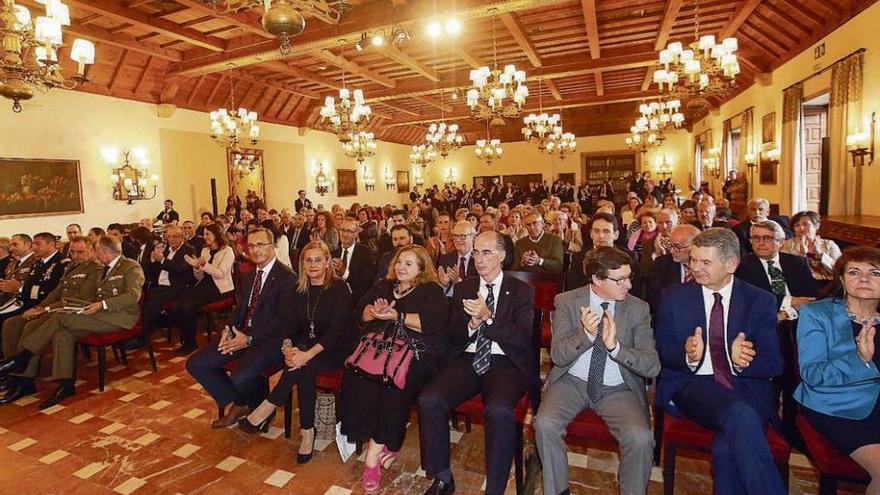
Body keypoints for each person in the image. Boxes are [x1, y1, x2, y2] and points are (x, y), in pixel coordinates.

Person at [655, 227, 785, 495]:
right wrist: (687, 355)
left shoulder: (759, 301)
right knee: (740, 413)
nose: (695, 268)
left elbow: (774, 363)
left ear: (731, 264)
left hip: (746, 388)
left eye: (705, 262)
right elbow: (663, 351)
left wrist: (745, 361)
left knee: (727, 448)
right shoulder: (674, 297)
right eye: (693, 259)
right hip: (694, 385)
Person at [535, 247, 660, 495]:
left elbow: (652, 366)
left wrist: (616, 347)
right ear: (597, 279)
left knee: (641, 438)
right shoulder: (568, 302)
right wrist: (586, 334)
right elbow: (558, 356)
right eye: (620, 279)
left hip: (618, 388)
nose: (628, 285)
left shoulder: (638, 309)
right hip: (572, 381)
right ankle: (558, 491)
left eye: (629, 277)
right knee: (544, 424)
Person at [420, 231, 537, 495]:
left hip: (506, 363)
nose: (479, 259)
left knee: (498, 410)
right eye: (475, 252)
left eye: (486, 252)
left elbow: (521, 340)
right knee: (430, 399)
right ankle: (442, 477)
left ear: (502, 256)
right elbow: (453, 335)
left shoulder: (521, 291)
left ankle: (494, 488)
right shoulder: (464, 288)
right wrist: (472, 325)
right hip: (469, 359)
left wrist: (489, 318)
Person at [340, 245, 448, 493]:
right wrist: (374, 312)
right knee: (356, 378)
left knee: (391, 385)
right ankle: (389, 442)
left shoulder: (431, 290)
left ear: (421, 268)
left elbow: (431, 323)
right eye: (399, 262)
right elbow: (360, 310)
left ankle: (371, 460)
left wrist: (396, 316)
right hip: (378, 350)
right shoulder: (384, 285)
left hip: (415, 354)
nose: (401, 267)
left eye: (409, 264)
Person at [238, 241, 356, 463]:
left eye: (318, 259)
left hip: (338, 348)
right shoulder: (298, 289)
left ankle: (269, 406)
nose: (312, 265)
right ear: (302, 263)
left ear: (328, 262)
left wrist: (305, 354)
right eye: (308, 260)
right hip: (308, 344)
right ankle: (307, 431)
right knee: (301, 366)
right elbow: (289, 327)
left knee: (305, 364)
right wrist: (288, 349)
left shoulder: (339, 288)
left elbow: (336, 332)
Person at [0, 236, 144, 409]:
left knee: (61, 318)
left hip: (119, 317)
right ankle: (66, 385)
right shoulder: (102, 268)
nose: (94, 255)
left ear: (106, 251)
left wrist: (102, 304)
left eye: (96, 251)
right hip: (96, 313)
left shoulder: (130, 266)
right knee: (63, 333)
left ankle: (23, 357)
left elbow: (132, 296)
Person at [186, 227, 297, 428]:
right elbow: (239, 309)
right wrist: (228, 329)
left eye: (261, 245)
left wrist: (249, 339)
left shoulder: (287, 278)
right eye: (251, 245)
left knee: (240, 375)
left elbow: (285, 323)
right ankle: (242, 403)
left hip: (270, 339)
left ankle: (259, 409)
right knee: (196, 363)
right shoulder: (249, 274)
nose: (255, 250)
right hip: (241, 333)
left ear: (272, 246)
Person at [794, 246, 880, 493]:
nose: (864, 279)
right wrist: (859, 360)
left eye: (874, 273)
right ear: (842, 280)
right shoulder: (817, 314)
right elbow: (812, 374)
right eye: (854, 272)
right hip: (836, 404)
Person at [0, 236, 101, 404]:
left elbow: (80, 299)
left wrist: (46, 309)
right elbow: (56, 292)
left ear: (91, 251)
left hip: (73, 312)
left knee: (31, 326)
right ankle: (16, 373)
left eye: (81, 252)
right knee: (12, 324)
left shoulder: (95, 269)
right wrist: (40, 307)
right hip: (57, 308)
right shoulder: (70, 266)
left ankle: (23, 372)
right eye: (73, 252)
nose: (75, 255)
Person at [735, 220, 819, 320]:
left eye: (767, 238)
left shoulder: (797, 262)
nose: (761, 243)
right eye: (756, 238)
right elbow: (753, 297)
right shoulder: (742, 265)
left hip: (800, 318)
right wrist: (790, 301)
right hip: (765, 319)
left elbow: (810, 294)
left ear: (781, 242)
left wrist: (790, 312)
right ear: (750, 241)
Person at [173, 223, 235, 355]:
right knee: (178, 304)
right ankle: (186, 339)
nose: (205, 237)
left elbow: (221, 273)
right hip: (205, 283)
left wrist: (203, 264)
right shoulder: (205, 250)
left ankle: (191, 343)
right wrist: (196, 267)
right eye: (204, 234)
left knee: (188, 306)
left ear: (216, 235)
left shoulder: (227, 250)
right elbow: (200, 276)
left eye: (208, 234)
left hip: (220, 287)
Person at [135, 225, 196, 349]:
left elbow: (181, 268)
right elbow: (148, 267)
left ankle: (144, 336)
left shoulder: (188, 250)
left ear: (182, 237)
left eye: (175, 236)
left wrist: (163, 260)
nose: (172, 240)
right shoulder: (165, 249)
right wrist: (153, 258)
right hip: (161, 285)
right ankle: (141, 332)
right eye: (169, 237)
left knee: (152, 300)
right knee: (142, 297)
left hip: (179, 286)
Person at [0, 232, 66, 333]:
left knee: (8, 322)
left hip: (42, 304)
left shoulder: (61, 263)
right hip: (25, 301)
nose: (34, 247)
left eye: (38, 244)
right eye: (34, 244)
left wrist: (20, 288)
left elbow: (51, 289)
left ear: (51, 244)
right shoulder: (38, 263)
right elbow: (29, 285)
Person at [645, 224, 701, 315]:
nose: (671, 251)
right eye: (670, 245)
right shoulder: (661, 265)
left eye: (677, 247)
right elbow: (654, 299)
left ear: (695, 246)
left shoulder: (708, 267)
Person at [780, 210, 842, 283]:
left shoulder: (829, 244)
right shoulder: (787, 245)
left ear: (817, 226)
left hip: (829, 285)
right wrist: (801, 256)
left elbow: (840, 270)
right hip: (801, 285)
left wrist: (821, 255)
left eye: (805, 224)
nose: (801, 228)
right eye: (797, 225)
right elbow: (787, 272)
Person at [332, 219, 376, 305]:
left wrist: (344, 272)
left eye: (349, 231)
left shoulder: (366, 253)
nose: (345, 234)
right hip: (335, 299)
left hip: (357, 300)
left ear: (356, 234)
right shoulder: (334, 253)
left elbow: (367, 283)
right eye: (342, 230)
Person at [437, 220, 477, 296]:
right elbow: (440, 294)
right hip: (449, 302)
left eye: (462, 236)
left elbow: (478, 290)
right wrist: (444, 285)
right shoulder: (446, 259)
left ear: (473, 238)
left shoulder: (479, 260)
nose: (458, 240)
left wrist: (459, 282)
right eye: (455, 236)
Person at [0, 234, 37, 311]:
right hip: (7, 299)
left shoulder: (36, 262)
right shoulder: (12, 264)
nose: (11, 248)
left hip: (24, 301)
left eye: (15, 244)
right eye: (10, 245)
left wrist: (19, 288)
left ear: (28, 244)